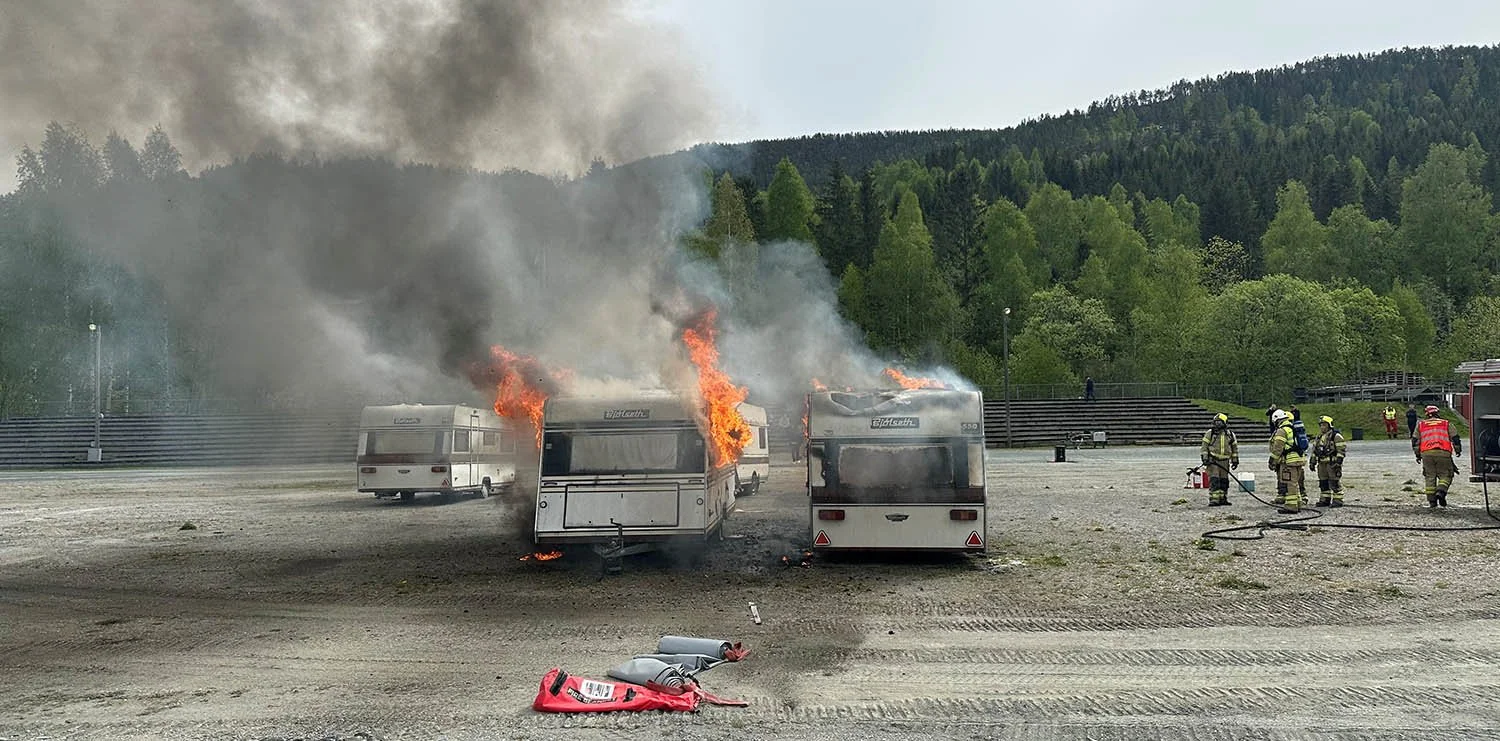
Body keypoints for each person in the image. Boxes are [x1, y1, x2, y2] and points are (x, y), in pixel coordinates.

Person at [1411, 405, 1462, 508]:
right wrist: (1458, 450)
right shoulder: (1446, 423)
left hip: (1426, 453)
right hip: (1443, 453)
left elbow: (1415, 441)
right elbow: (1455, 438)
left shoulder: (1421, 425)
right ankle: (1441, 491)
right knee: (1446, 475)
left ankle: (1432, 501)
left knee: (1430, 477)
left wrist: (1418, 455)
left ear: (1427, 414)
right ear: (1438, 413)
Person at [1269, 409, 1307, 514]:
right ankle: (1297, 503)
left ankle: (1291, 506)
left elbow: (1278, 447)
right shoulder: (1292, 427)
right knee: (1295, 483)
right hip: (1299, 459)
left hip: (1289, 460)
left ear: (1277, 420)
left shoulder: (1282, 430)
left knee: (1290, 482)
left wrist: (1272, 460)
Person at [1199, 413, 1239, 506]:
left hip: (1225, 461)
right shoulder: (1210, 433)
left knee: (1224, 481)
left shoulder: (1230, 434)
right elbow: (1204, 446)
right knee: (1215, 480)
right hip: (1213, 461)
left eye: (1220, 422)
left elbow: (1234, 448)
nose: (1217, 424)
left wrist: (1235, 460)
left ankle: (1223, 498)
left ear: (1225, 423)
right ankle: (1214, 499)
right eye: (1216, 422)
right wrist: (1205, 458)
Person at [1308, 415, 1348, 507]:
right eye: (1321, 425)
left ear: (1329, 425)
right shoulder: (1319, 437)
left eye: (1324, 425)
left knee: (1334, 482)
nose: (1322, 427)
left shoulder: (1336, 436)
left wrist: (1338, 463)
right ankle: (1325, 499)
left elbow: (1341, 450)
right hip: (1321, 464)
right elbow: (1315, 450)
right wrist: (1312, 462)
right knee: (1323, 482)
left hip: (1332, 463)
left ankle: (1338, 500)